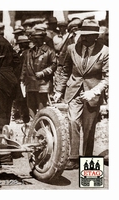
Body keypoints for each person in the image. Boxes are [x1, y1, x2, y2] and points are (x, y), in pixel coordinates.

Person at [53, 19, 109, 169]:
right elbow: (65, 70)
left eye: (87, 35)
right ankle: (73, 158)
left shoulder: (106, 51)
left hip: (93, 94)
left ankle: (88, 162)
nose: (82, 38)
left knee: (89, 128)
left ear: (95, 36)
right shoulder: (72, 48)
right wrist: (59, 90)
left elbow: (109, 77)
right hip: (74, 92)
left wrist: (94, 92)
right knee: (72, 122)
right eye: (81, 34)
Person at [20, 24, 57, 118]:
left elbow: (54, 65)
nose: (35, 41)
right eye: (34, 38)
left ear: (42, 39)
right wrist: (22, 79)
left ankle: (41, 126)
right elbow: (25, 66)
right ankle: (32, 126)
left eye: (37, 38)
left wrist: (43, 73)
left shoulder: (49, 51)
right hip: (30, 83)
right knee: (31, 107)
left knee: (42, 108)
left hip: (43, 83)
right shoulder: (29, 52)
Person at [12, 35, 31, 124]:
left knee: (23, 98)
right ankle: (19, 114)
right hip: (18, 76)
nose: (20, 45)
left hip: (23, 78)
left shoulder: (27, 53)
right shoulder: (20, 52)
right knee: (18, 97)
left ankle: (24, 116)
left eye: (21, 44)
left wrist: (22, 77)